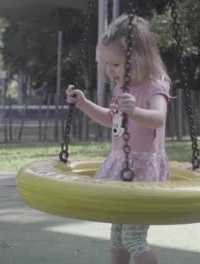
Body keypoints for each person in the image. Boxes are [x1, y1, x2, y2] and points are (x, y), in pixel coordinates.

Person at [66, 14, 170, 264]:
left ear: (139, 59)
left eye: (115, 64)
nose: (109, 70)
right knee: (116, 235)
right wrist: (84, 104)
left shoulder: (154, 86)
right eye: (106, 63)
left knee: (133, 238)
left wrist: (135, 111)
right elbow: (111, 119)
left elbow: (158, 117)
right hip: (120, 164)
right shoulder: (120, 86)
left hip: (142, 169)